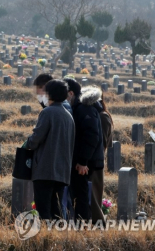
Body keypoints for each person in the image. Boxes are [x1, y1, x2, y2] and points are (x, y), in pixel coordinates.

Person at [25, 79, 75, 220]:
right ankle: (57, 235)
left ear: (50, 94)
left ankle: (46, 237)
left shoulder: (48, 112)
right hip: (61, 171)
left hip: (45, 169)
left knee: (43, 208)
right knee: (56, 208)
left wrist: (27, 143)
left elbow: (36, 138)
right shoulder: (68, 115)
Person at [64, 79, 104, 222]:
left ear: (71, 93)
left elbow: (91, 136)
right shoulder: (78, 107)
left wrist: (82, 161)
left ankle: (82, 225)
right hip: (82, 159)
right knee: (78, 193)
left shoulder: (84, 108)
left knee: (80, 195)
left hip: (85, 162)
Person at [90, 93, 113, 224]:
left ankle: (99, 224)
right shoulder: (99, 115)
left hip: (96, 162)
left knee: (94, 196)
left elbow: (103, 142)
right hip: (94, 161)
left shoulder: (103, 117)